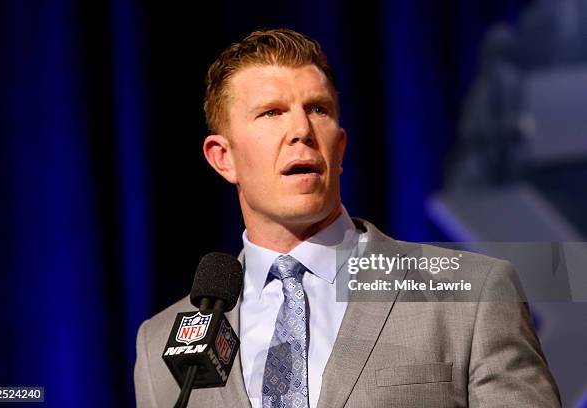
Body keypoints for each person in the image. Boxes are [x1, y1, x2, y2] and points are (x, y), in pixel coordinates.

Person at [134, 28, 560, 407]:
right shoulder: (160, 345)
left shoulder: (470, 295)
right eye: (272, 112)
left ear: (339, 148)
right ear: (222, 158)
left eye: (318, 109)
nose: (301, 129)